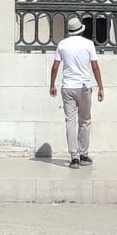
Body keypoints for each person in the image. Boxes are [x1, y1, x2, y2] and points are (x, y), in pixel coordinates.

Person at [48, 16, 103, 169]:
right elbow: (95, 67)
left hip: (68, 87)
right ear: (81, 29)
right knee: (85, 120)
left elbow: (54, 67)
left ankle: (74, 157)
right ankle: (84, 154)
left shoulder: (62, 45)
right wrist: (100, 86)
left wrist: (52, 84)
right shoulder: (88, 44)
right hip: (84, 86)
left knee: (70, 122)